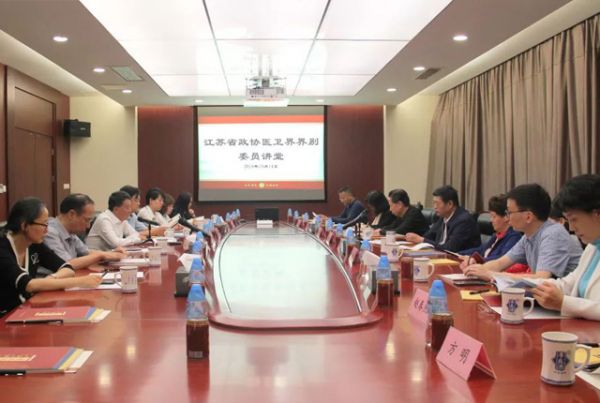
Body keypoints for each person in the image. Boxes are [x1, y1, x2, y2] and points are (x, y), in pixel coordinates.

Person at [0, 198, 102, 315]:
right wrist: (79, 282)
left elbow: (67, 267)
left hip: (26, 309)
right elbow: (29, 285)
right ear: (24, 225)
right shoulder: (3, 247)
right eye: (44, 224)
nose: (47, 231)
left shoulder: (34, 244)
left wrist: (52, 278)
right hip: (5, 314)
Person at [464, 184, 582, 280]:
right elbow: (500, 263)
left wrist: (493, 275)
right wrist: (475, 270)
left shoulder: (553, 234)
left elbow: (541, 278)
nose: (507, 217)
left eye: (509, 212)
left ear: (528, 217)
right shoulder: (528, 236)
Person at [532, 175, 600, 320]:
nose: (572, 228)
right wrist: (525, 286)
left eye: (574, 219)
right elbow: (567, 284)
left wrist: (564, 303)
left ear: (597, 213)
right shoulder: (592, 248)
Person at [44, 193, 126, 266]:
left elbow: (86, 252)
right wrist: (101, 255)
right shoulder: (49, 231)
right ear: (72, 214)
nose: (88, 226)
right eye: (86, 220)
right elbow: (66, 264)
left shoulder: (70, 231)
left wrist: (111, 253)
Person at [406, 185, 480, 252]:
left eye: (437, 203)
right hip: (441, 255)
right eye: (434, 203)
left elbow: (450, 248)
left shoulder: (463, 221)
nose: (435, 207)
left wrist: (422, 240)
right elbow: (428, 236)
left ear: (450, 204)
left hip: (460, 259)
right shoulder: (443, 216)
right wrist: (417, 239)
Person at [458, 194, 522, 268]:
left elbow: (502, 259)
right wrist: (458, 254)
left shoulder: (514, 237)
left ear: (506, 217)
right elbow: (481, 249)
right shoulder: (496, 235)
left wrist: (476, 260)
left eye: (494, 216)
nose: (491, 220)